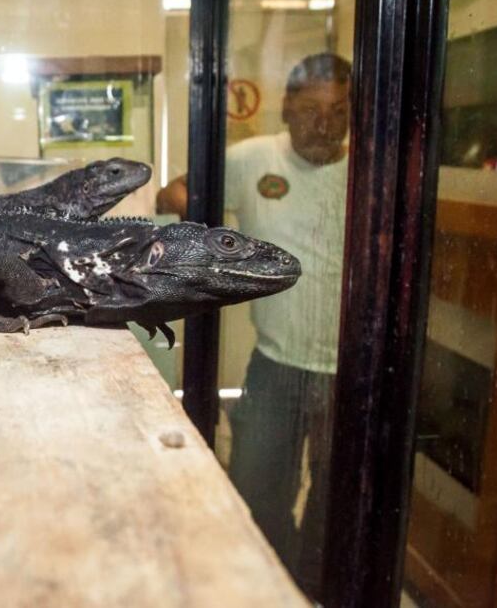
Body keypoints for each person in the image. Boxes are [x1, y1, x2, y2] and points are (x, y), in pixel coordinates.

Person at [157, 53, 351, 599]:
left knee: (337, 505)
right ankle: (273, 589)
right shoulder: (253, 159)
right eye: (311, 110)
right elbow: (173, 194)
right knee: (257, 496)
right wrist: (196, 222)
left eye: (338, 111)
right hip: (275, 367)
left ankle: (313, 591)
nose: (324, 124)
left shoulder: (370, 170)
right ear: (286, 108)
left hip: (350, 373)